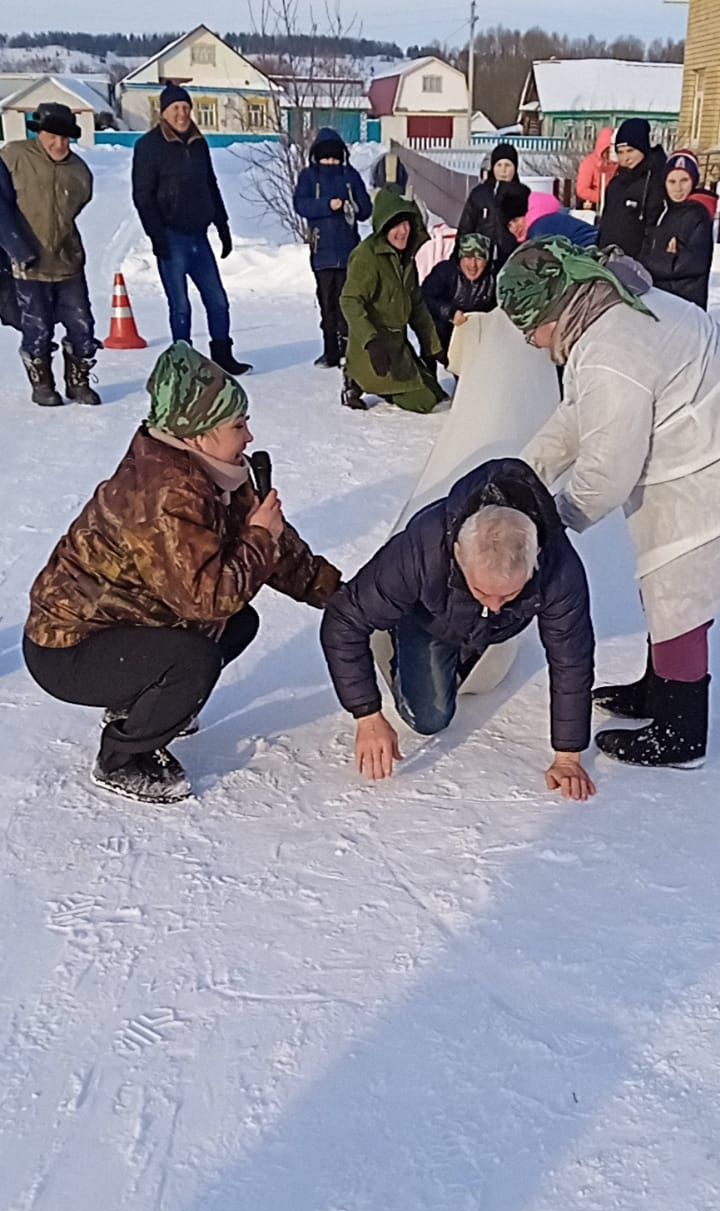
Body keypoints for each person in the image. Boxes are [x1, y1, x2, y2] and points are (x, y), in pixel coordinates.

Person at [497, 237, 720, 769]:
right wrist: (525, 473)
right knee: (664, 585)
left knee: (680, 585)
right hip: (717, 439)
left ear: (552, 310)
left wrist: (549, 521)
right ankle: (658, 688)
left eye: (530, 330)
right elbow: (576, 416)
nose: (535, 344)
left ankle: (681, 730)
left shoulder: (612, 348)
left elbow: (608, 470)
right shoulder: (605, 311)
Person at [22, 342, 340, 805]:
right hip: (69, 650)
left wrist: (344, 597)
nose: (249, 437)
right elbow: (207, 598)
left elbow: (278, 553)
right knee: (196, 657)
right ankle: (122, 757)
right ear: (197, 435)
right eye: (238, 425)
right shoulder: (164, 493)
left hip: (120, 627)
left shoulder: (213, 473)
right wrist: (259, 539)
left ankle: (139, 705)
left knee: (238, 623)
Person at [320, 458, 596, 800]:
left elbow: (571, 658)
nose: (496, 604)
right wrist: (367, 715)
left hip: (488, 630)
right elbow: (343, 621)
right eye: (483, 591)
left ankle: (470, 638)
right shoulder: (421, 547)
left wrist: (568, 756)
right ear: (457, 553)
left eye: (510, 594)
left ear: (536, 558)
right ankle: (391, 629)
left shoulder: (559, 568)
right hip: (430, 620)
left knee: (485, 643)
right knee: (429, 718)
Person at [132, 85, 250, 376]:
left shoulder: (199, 143)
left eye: (186, 108)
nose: (182, 114)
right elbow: (143, 196)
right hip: (170, 236)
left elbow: (210, 183)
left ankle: (222, 355)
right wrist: (156, 235)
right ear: (164, 113)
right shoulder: (148, 146)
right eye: (175, 109)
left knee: (218, 300)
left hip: (199, 235)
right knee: (181, 306)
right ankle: (183, 364)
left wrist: (221, 224)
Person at [0, 103, 99, 407]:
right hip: (27, 264)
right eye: (51, 136)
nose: (59, 144)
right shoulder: (13, 157)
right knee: (37, 327)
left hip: (67, 262)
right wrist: (16, 248)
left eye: (65, 138)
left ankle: (78, 382)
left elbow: (76, 208)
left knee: (83, 325)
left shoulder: (79, 172)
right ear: (38, 133)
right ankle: (43, 384)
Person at [340, 188, 444, 412]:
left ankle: (386, 380)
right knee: (423, 403)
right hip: (374, 348)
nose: (403, 231)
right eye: (396, 225)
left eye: (406, 224)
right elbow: (350, 301)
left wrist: (433, 347)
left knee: (436, 395)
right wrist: (371, 341)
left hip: (397, 345)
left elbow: (417, 307)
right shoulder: (366, 257)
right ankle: (355, 378)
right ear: (384, 227)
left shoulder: (406, 260)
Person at [293, 128, 372, 368]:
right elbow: (301, 205)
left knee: (348, 302)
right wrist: (327, 205)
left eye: (335, 157)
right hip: (322, 252)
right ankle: (330, 351)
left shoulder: (350, 176)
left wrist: (352, 206)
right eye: (326, 157)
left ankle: (349, 348)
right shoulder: (308, 176)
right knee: (327, 302)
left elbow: (366, 209)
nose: (331, 162)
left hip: (349, 252)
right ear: (317, 157)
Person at [640, 152, 715, 310]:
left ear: (693, 181)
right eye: (672, 181)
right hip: (662, 295)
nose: (678, 188)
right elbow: (647, 245)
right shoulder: (665, 210)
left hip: (685, 300)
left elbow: (695, 262)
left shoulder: (697, 214)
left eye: (684, 180)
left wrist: (649, 265)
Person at [597, 118, 667, 260]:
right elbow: (606, 221)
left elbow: (654, 227)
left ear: (643, 148)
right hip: (608, 258)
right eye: (620, 152)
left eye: (630, 151)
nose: (625, 158)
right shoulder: (616, 182)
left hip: (637, 262)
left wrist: (644, 258)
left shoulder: (654, 181)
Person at [421, 233, 496, 363]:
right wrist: (450, 313)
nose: (472, 265)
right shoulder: (445, 271)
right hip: (443, 336)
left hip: (476, 339)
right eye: (467, 257)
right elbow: (425, 297)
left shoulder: (494, 279)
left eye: (479, 258)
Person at [456, 142, 525, 261]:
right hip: (481, 258)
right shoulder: (480, 193)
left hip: (512, 258)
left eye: (508, 165)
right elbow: (466, 227)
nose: (503, 170)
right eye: (499, 165)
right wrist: (458, 255)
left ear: (515, 167)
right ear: (493, 167)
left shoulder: (522, 194)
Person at [508, 190, 597, 250]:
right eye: (509, 225)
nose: (514, 227)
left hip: (591, 250)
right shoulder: (551, 218)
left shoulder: (538, 231)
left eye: (516, 220)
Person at [576, 128, 615, 212]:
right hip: (593, 206)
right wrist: (603, 197)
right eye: (608, 149)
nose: (610, 152)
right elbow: (582, 190)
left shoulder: (619, 164)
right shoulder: (589, 162)